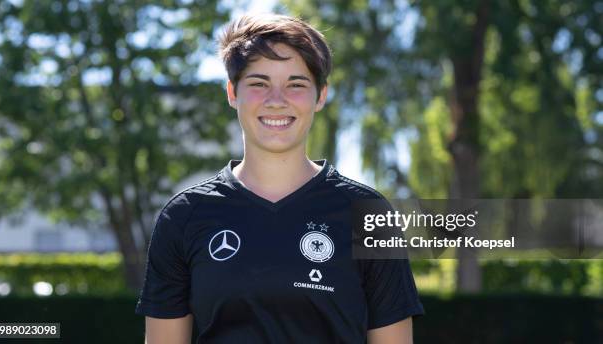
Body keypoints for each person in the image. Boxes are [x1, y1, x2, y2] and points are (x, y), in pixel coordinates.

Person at [135, 13, 424, 343]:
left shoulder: (369, 213)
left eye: (296, 84)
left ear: (321, 96)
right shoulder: (183, 217)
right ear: (232, 92)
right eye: (259, 83)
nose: (276, 100)